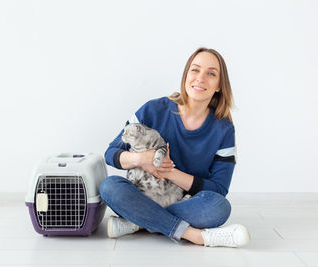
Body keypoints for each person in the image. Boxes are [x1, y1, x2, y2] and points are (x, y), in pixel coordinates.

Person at [99, 47, 250, 247]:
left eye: (211, 74)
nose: (200, 78)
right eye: (195, 70)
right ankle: (193, 235)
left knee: (219, 207)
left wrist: (168, 172)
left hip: (183, 202)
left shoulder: (223, 129)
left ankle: (140, 223)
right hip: (144, 195)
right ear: (186, 75)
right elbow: (111, 153)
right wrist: (141, 160)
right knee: (109, 188)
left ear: (220, 86)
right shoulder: (152, 110)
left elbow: (219, 189)